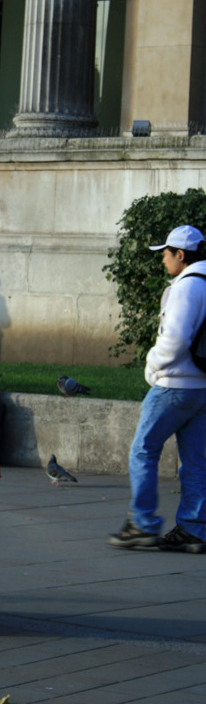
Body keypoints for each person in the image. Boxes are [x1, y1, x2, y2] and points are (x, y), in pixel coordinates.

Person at [107, 225, 206, 553]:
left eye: (166, 252)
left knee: (143, 450)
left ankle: (143, 523)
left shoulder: (186, 287)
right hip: (202, 387)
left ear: (181, 254)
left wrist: (152, 367)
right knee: (196, 459)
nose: (162, 259)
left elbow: (175, 338)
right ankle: (194, 529)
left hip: (174, 384)